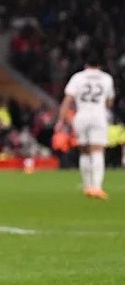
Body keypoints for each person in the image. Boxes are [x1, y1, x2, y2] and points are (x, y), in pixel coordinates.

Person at [57, 53, 115, 199]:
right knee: (97, 150)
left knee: (84, 151)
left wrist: (61, 120)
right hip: (99, 115)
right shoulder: (107, 78)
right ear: (100, 65)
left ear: (85, 65)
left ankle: (87, 186)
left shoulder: (78, 77)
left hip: (81, 115)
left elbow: (68, 100)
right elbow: (109, 102)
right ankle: (97, 187)